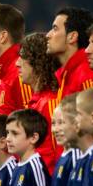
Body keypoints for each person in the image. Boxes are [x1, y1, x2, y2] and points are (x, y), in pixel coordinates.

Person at [17, 32, 60, 173]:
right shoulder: (36, 101)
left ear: (38, 61)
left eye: (23, 57)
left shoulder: (51, 103)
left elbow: (57, 152)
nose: (17, 63)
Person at [46, 7, 93, 100]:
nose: (47, 35)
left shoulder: (87, 76)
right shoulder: (65, 75)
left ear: (72, 37)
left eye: (55, 28)